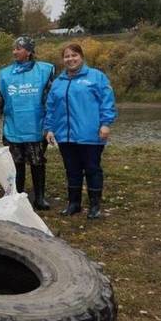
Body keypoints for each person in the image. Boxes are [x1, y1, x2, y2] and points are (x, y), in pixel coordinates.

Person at [44, 43, 117, 219]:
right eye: (67, 56)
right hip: (65, 135)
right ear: (63, 60)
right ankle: (74, 204)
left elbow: (107, 101)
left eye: (74, 55)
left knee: (92, 169)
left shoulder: (96, 77)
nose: (70, 59)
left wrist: (106, 123)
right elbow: (51, 107)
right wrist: (48, 128)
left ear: (81, 57)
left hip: (90, 134)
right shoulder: (58, 82)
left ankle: (94, 206)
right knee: (72, 170)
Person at [0, 37, 55, 210]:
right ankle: (17, 197)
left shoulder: (44, 71)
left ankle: (40, 197)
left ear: (29, 51)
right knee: (16, 165)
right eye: (13, 48)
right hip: (13, 128)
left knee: (38, 163)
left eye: (19, 48)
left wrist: (50, 126)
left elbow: (50, 101)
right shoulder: (5, 74)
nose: (14, 52)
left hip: (36, 128)